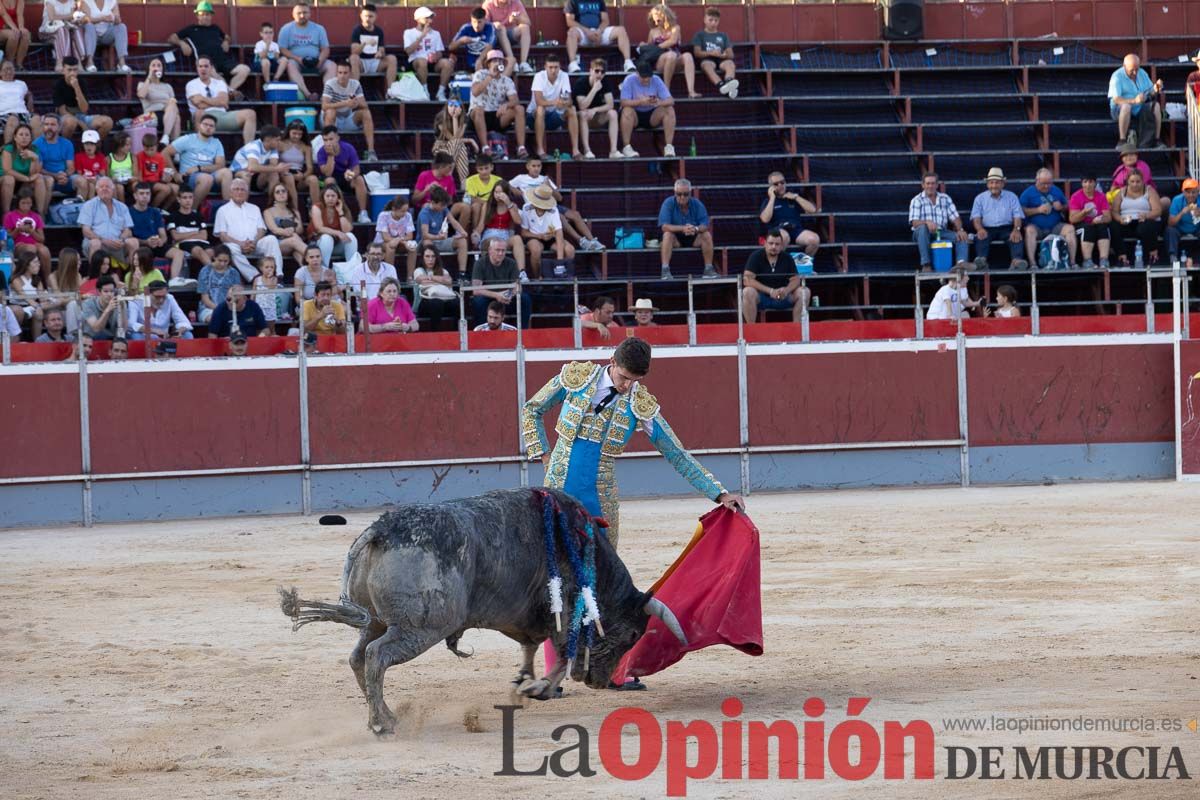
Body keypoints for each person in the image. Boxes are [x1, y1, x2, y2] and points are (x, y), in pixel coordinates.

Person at [522, 336, 743, 545]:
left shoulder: (640, 405)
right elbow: (532, 410)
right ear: (612, 362)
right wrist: (545, 456)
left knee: (604, 565)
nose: (627, 386)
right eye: (624, 377)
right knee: (551, 556)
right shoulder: (577, 378)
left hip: (600, 494)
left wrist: (720, 493)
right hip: (558, 482)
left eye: (635, 380)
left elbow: (676, 454)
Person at [508, 153, 604, 251]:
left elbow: (559, 198)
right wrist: (516, 191)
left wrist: (549, 186)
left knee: (575, 214)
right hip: (536, 207)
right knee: (561, 217)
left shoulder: (544, 178)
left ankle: (593, 241)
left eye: (539, 166)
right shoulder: (521, 178)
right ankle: (581, 241)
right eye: (533, 166)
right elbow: (505, 184)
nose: (536, 168)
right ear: (527, 166)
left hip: (551, 204)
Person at [168, 1, 250, 98]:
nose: (205, 17)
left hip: (223, 60)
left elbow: (227, 36)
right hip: (206, 61)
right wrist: (182, 43)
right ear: (197, 16)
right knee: (216, 76)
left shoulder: (215, 28)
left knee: (245, 69)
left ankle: (229, 91)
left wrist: (226, 41)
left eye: (208, 14)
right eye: (202, 14)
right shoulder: (191, 29)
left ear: (211, 16)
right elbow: (171, 38)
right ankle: (230, 93)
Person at [215, 178, 285, 281]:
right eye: (236, 189)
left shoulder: (254, 208)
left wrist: (254, 242)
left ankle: (277, 274)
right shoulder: (223, 210)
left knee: (271, 239)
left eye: (243, 190)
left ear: (247, 193)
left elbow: (261, 229)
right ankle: (255, 277)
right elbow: (223, 235)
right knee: (229, 248)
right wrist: (241, 244)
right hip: (236, 246)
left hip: (255, 244)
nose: (239, 192)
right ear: (230, 192)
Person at [741, 229, 809, 323]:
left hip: (783, 296)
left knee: (804, 292)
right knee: (747, 291)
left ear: (781, 245)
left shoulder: (787, 258)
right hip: (762, 297)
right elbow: (747, 279)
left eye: (777, 244)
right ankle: (751, 330)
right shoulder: (756, 256)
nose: (774, 246)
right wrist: (770, 291)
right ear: (765, 243)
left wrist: (786, 290)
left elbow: (796, 279)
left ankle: (797, 329)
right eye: (771, 243)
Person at [469, 49, 528, 159]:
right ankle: (485, 148)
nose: (498, 63)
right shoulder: (480, 74)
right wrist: (490, 76)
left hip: (496, 115)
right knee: (478, 109)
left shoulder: (507, 80)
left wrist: (507, 105)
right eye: (494, 60)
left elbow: (515, 100)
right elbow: (475, 91)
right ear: (488, 63)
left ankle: (521, 148)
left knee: (519, 109)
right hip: (478, 115)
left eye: (500, 61)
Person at [165, 113, 233, 206]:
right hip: (189, 178)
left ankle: (228, 209)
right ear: (199, 125)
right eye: (205, 124)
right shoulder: (188, 139)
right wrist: (175, 174)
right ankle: (191, 211)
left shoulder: (216, 143)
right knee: (206, 178)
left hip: (209, 176)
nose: (208, 127)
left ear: (214, 129)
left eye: (211, 126)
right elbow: (165, 153)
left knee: (226, 172)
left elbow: (220, 165)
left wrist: (199, 168)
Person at [184, 56, 255, 145]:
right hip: (204, 116)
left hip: (222, 116)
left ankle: (249, 150)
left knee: (250, 114)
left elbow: (224, 102)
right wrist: (218, 102)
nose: (203, 69)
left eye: (206, 66)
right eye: (200, 66)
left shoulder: (219, 83)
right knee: (199, 112)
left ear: (211, 68)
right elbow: (199, 105)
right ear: (197, 68)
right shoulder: (191, 84)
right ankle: (200, 147)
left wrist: (203, 98)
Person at [909, 172, 969, 270]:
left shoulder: (945, 198)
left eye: (933, 183)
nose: (930, 186)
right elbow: (914, 223)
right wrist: (927, 222)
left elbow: (955, 218)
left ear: (937, 185)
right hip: (921, 233)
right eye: (928, 183)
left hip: (940, 232)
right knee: (923, 228)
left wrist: (960, 229)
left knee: (962, 236)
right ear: (923, 185)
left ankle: (961, 264)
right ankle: (926, 265)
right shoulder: (917, 200)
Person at [969, 167, 1027, 270]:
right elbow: (976, 218)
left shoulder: (1012, 196)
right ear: (987, 184)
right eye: (991, 183)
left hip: (1007, 227)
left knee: (1016, 236)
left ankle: (1016, 261)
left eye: (997, 182)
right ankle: (982, 261)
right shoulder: (980, 198)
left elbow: (1017, 216)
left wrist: (1016, 229)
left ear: (1002, 184)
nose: (994, 185)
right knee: (980, 236)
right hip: (987, 228)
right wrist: (979, 229)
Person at [658, 178, 714, 280]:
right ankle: (665, 270)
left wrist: (696, 229)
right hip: (676, 239)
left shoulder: (697, 204)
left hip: (694, 237)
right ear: (675, 193)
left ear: (690, 193)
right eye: (679, 194)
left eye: (685, 194)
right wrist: (683, 228)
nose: (682, 197)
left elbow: (705, 224)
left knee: (706, 234)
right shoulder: (668, 203)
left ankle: (708, 270)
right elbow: (664, 226)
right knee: (667, 234)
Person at [278, 2, 337, 100]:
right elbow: (282, 49)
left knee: (332, 66)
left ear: (310, 14)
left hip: (316, 61)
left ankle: (326, 96)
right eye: (299, 13)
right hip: (297, 62)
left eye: (305, 12)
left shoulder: (319, 29)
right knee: (290, 64)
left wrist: (320, 60)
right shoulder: (286, 29)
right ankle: (308, 95)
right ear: (293, 14)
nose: (302, 15)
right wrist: (298, 59)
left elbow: (325, 49)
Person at [128, 183, 186, 280]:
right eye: (141, 194)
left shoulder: (155, 212)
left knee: (179, 253)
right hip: (140, 245)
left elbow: (163, 235)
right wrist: (146, 242)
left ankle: (174, 281)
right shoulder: (128, 212)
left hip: (156, 244)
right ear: (135, 196)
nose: (145, 196)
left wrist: (160, 241)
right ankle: (135, 279)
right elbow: (128, 236)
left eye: (147, 193)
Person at [618, 60, 676, 158]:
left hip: (652, 115)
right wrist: (640, 102)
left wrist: (659, 102)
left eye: (648, 76)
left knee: (669, 109)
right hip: (634, 115)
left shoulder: (656, 79)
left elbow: (671, 100)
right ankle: (627, 147)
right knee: (626, 110)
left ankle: (669, 146)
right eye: (643, 77)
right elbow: (623, 102)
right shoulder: (629, 79)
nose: (646, 79)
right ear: (637, 73)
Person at [1020, 169, 1076, 268]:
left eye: (1049, 183)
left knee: (1070, 229)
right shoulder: (1028, 193)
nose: (1046, 186)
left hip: (1055, 226)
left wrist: (1061, 207)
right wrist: (1038, 210)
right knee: (1029, 230)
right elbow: (1020, 211)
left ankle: (1072, 262)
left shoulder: (1055, 190)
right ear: (1037, 180)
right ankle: (1033, 263)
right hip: (1037, 227)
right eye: (1043, 183)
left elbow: (1068, 205)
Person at [528, 54, 580, 159]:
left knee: (572, 109)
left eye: (556, 67)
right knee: (540, 109)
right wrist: (555, 102)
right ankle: (540, 149)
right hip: (533, 117)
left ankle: (575, 150)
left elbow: (569, 100)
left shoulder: (564, 75)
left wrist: (564, 103)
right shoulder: (539, 76)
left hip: (553, 116)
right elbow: (539, 101)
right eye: (550, 67)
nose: (553, 70)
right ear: (545, 67)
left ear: (559, 67)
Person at [322, 62, 377, 163]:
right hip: (331, 120)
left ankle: (371, 151)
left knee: (366, 113)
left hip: (347, 118)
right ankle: (329, 149)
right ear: (336, 73)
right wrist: (345, 103)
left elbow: (364, 105)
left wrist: (355, 104)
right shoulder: (330, 84)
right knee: (330, 112)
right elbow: (324, 106)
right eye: (340, 72)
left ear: (350, 74)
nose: (342, 75)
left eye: (345, 73)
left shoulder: (355, 84)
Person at [315, 126, 371, 223]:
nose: (328, 142)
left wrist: (351, 175)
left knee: (359, 179)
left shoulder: (348, 148)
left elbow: (356, 168)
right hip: (332, 178)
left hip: (347, 178)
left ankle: (363, 213)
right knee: (329, 181)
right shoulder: (321, 152)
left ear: (337, 137)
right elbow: (327, 173)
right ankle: (335, 213)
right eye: (325, 140)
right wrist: (331, 156)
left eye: (331, 139)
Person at [564, 0, 634, 75]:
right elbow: (570, 21)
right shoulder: (572, 2)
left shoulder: (599, 1)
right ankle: (573, 64)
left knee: (621, 30)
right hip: (582, 33)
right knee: (571, 32)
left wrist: (599, 31)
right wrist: (587, 31)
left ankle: (628, 62)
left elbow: (605, 20)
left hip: (599, 32)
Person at [471, 236, 528, 328]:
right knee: (479, 302)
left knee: (524, 299)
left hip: (506, 297)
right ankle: (481, 333)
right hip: (489, 298)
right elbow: (476, 290)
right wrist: (497, 295)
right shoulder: (480, 264)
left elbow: (518, 287)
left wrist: (509, 295)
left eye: (503, 250)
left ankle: (523, 331)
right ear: (490, 250)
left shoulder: (512, 263)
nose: (501, 253)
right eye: (497, 250)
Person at [759, 171, 819, 255]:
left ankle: (803, 265)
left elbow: (812, 210)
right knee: (784, 236)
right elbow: (765, 219)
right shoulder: (768, 201)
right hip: (778, 230)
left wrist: (796, 197)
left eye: (782, 182)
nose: (780, 185)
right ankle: (778, 266)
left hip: (796, 230)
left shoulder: (792, 198)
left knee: (814, 239)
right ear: (771, 187)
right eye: (776, 184)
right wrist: (772, 197)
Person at [644, 4, 697, 99]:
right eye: (654, 20)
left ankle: (691, 91)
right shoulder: (653, 31)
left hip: (676, 58)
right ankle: (666, 91)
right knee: (671, 55)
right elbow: (649, 48)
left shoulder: (675, 28)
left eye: (658, 20)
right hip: (660, 61)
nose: (656, 23)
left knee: (688, 55)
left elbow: (673, 41)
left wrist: (657, 46)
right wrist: (644, 45)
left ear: (664, 16)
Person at [1108, 53, 1162, 148]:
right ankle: (1122, 140)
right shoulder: (1116, 77)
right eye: (1131, 70)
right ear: (1124, 66)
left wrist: (1156, 88)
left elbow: (1151, 91)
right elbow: (1116, 99)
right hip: (1119, 108)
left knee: (1156, 106)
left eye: (1137, 69)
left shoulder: (1142, 73)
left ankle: (1157, 140)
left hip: (1139, 107)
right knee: (1126, 106)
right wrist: (1134, 100)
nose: (1135, 73)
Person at [520, 183, 572, 279]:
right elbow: (524, 232)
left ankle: (563, 278)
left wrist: (559, 261)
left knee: (569, 250)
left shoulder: (554, 210)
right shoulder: (526, 208)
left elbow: (559, 233)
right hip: (534, 236)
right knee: (536, 250)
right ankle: (538, 278)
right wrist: (540, 236)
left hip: (551, 237)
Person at [1110, 170, 1163, 265]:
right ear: (1128, 182)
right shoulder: (1121, 192)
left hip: (1144, 220)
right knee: (1113, 226)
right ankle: (1122, 257)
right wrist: (1120, 219)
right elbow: (1114, 211)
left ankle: (1153, 255)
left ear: (1143, 181)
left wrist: (1147, 215)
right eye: (1132, 181)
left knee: (1147, 226)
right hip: (1127, 221)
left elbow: (1158, 210)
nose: (1135, 184)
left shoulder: (1149, 190)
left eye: (1138, 181)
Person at [475, 178, 526, 276]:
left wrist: (508, 204)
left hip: (505, 235)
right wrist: (476, 234)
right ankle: (491, 273)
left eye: (501, 192)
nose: (498, 195)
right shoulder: (487, 205)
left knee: (517, 239)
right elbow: (481, 225)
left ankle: (521, 272)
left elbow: (518, 221)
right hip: (489, 235)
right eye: (496, 192)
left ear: (506, 194)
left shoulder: (512, 205)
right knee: (494, 241)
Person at [78, 176, 137, 262]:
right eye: (101, 187)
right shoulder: (89, 205)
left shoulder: (122, 207)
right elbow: (86, 231)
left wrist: (120, 239)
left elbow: (127, 230)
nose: (104, 189)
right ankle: (95, 274)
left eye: (107, 187)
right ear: (97, 190)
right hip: (99, 242)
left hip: (117, 244)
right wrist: (104, 240)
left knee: (133, 242)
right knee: (95, 243)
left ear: (113, 190)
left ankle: (134, 274)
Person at [572, 58, 620, 159]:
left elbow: (610, 104)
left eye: (602, 72)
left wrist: (595, 109)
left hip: (597, 117)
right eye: (596, 71)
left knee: (613, 113)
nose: (599, 74)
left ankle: (613, 151)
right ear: (590, 71)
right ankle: (587, 150)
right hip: (581, 119)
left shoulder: (605, 82)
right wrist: (594, 89)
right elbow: (582, 106)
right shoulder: (581, 83)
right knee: (583, 113)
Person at [404, 7, 455, 103]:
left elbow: (440, 52)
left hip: (432, 63)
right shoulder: (409, 33)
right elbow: (408, 51)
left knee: (447, 63)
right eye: (426, 18)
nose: (430, 20)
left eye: (431, 17)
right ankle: (425, 91)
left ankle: (440, 92)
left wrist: (436, 56)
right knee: (422, 61)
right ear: (418, 19)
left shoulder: (436, 34)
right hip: (416, 62)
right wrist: (422, 35)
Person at [417, 185, 469, 275]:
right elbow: (425, 235)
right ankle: (430, 272)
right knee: (427, 242)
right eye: (441, 205)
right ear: (433, 202)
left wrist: (463, 232)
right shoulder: (424, 213)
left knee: (462, 241)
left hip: (440, 240)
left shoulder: (443, 209)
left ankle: (462, 273)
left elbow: (453, 221)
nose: (443, 207)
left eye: (444, 205)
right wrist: (438, 237)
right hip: (426, 241)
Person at [164, 187, 210, 283]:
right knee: (199, 251)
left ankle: (205, 280)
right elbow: (176, 237)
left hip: (202, 243)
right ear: (178, 199)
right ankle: (216, 274)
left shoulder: (198, 216)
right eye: (185, 198)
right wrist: (195, 232)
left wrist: (184, 234)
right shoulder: (173, 216)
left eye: (190, 197)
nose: (188, 200)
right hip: (185, 244)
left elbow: (204, 236)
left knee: (214, 252)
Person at [691, 7, 738, 98]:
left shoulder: (723, 35)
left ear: (719, 21)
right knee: (707, 65)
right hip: (707, 59)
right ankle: (721, 85)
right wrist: (711, 53)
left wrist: (724, 55)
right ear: (705, 20)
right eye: (710, 20)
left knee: (730, 64)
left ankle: (729, 82)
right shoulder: (699, 35)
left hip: (721, 59)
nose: (713, 23)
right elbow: (697, 53)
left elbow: (731, 54)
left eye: (716, 20)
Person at [1068, 174, 1112, 269]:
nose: (1088, 184)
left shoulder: (1101, 196)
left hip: (1097, 223)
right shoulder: (1076, 196)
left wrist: (1101, 219)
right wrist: (1084, 212)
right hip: (1081, 225)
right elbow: (1072, 219)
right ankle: (1087, 261)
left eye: (1091, 182)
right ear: (1082, 183)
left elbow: (1108, 217)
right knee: (1087, 228)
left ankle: (1104, 260)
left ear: (1095, 183)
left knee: (1103, 227)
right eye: (1085, 182)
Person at [308, 183, 358, 268]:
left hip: (336, 244)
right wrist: (338, 232)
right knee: (327, 238)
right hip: (319, 244)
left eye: (333, 196)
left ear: (338, 197)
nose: (330, 198)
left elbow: (347, 230)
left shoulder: (343, 208)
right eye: (327, 196)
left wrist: (340, 212)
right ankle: (323, 269)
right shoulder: (317, 207)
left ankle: (352, 270)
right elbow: (319, 228)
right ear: (323, 197)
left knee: (351, 237)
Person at [450, 7, 511, 76]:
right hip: (467, 62)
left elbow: (489, 46)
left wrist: (479, 60)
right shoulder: (466, 28)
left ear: (485, 20)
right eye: (474, 22)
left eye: (479, 22)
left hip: (485, 64)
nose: (476, 25)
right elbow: (451, 47)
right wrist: (461, 41)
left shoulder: (490, 27)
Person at [349, 4, 399, 88]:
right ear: (361, 16)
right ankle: (354, 91)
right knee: (353, 58)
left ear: (375, 17)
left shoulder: (379, 31)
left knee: (392, 58)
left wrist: (380, 53)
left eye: (370, 16)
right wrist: (365, 43)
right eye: (365, 16)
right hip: (362, 62)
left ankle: (391, 91)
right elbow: (354, 51)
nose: (367, 19)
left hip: (375, 62)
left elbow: (382, 50)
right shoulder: (357, 30)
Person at [126, 279, 194, 339]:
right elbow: (131, 324)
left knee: (187, 335)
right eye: (157, 297)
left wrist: (179, 331)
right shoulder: (136, 301)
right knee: (136, 336)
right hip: (145, 337)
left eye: (163, 297)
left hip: (165, 338)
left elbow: (183, 321)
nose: (161, 300)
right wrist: (153, 331)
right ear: (148, 294)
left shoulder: (169, 298)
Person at [230, 125, 288, 195]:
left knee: (274, 174)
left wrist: (278, 168)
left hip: (256, 175)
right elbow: (252, 167)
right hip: (237, 173)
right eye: (277, 140)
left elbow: (273, 165)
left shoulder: (273, 148)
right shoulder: (254, 146)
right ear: (268, 139)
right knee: (246, 175)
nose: (279, 142)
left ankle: (272, 203)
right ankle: (243, 204)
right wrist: (277, 168)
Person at [278, 118, 322, 210]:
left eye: (300, 134)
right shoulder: (280, 144)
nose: (297, 136)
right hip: (284, 174)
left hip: (299, 174)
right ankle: (295, 210)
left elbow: (310, 168)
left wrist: (303, 175)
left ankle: (316, 210)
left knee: (313, 179)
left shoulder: (306, 147)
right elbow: (276, 162)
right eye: (294, 133)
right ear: (289, 131)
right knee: (289, 177)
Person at [412, 242, 458, 330]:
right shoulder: (419, 270)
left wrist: (430, 277)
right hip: (424, 302)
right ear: (422, 258)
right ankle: (435, 332)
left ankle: (457, 332)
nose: (430, 259)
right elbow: (422, 281)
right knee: (436, 303)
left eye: (433, 256)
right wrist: (441, 281)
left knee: (456, 303)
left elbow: (449, 281)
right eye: (427, 256)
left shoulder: (443, 271)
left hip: (444, 301)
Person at [431, 98, 476, 186]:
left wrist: (455, 118)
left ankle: (452, 175)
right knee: (460, 146)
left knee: (460, 147)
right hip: (441, 147)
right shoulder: (440, 117)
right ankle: (462, 182)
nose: (453, 108)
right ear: (446, 106)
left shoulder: (464, 118)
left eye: (456, 106)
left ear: (460, 108)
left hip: (456, 147)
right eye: (451, 105)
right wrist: (469, 140)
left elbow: (457, 140)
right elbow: (453, 139)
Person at [135, 58, 180, 144]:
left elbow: (174, 106)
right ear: (148, 68)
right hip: (152, 114)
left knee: (175, 114)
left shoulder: (168, 86)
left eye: (159, 65)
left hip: (167, 114)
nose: (156, 68)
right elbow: (141, 95)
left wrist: (169, 106)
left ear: (162, 69)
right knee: (176, 117)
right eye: (153, 65)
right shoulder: (142, 84)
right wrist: (149, 77)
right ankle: (172, 147)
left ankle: (167, 139)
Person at [4, 187, 49, 272]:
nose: (26, 206)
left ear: (32, 203)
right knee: (30, 249)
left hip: (35, 243)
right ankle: (27, 277)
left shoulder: (36, 216)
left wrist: (32, 231)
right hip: (18, 245)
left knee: (44, 251)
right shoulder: (10, 216)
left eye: (28, 203)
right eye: (23, 203)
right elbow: (7, 238)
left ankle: (46, 280)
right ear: (18, 203)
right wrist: (18, 230)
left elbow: (42, 239)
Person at [263, 182, 308, 268]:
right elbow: (274, 229)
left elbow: (300, 229)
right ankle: (315, 255)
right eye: (277, 192)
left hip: (292, 243)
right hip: (276, 244)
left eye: (283, 191)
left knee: (297, 253)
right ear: (274, 196)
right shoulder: (268, 211)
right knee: (294, 239)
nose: (281, 193)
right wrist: (287, 232)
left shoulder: (294, 211)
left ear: (287, 194)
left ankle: (305, 272)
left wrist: (293, 230)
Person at [483, 0, 533, 74]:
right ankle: (512, 61)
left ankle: (523, 63)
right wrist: (494, 24)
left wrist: (518, 19)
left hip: (511, 32)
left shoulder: (516, 2)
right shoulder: (488, 4)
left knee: (525, 27)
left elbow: (528, 22)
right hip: (496, 35)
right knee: (500, 27)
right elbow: (484, 24)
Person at [195, 244, 241, 324]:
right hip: (208, 308)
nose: (222, 264)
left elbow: (236, 295)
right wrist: (219, 309)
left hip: (229, 307)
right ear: (214, 257)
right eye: (220, 260)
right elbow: (205, 298)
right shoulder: (205, 271)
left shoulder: (234, 273)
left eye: (225, 261)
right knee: (216, 318)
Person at [79, 0, 130, 73]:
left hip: (106, 34)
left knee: (121, 27)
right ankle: (89, 62)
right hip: (91, 35)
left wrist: (117, 20)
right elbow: (86, 20)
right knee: (89, 26)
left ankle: (121, 63)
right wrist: (102, 19)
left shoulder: (112, 1)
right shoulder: (86, 1)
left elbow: (117, 17)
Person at [40, 0, 85, 73]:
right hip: (48, 31)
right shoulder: (50, 1)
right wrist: (70, 16)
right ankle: (60, 61)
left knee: (75, 30)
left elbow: (71, 19)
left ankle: (78, 63)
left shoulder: (71, 2)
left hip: (65, 30)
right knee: (61, 31)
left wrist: (76, 19)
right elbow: (52, 18)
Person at [136, 134, 179, 209]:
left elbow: (161, 174)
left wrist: (167, 178)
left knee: (176, 188)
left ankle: (164, 209)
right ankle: (152, 208)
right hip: (146, 181)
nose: (149, 152)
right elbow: (139, 173)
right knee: (166, 189)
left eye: (152, 149)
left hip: (157, 181)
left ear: (156, 147)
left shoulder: (160, 157)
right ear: (143, 147)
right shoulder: (139, 156)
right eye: (147, 149)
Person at [0, 60, 38, 144]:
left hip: (23, 113)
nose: (9, 72)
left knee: (36, 119)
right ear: (0, 72)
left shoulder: (21, 84)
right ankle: (8, 152)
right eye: (6, 69)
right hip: (4, 115)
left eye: (11, 69)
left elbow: (28, 94)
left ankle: (37, 152)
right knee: (13, 119)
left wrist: (30, 99)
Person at [375, 195, 416, 271]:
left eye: (406, 210)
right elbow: (386, 237)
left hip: (400, 242)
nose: (405, 213)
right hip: (382, 243)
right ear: (394, 209)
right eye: (402, 211)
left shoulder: (408, 216)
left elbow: (410, 236)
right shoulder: (383, 215)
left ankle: (410, 277)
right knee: (390, 247)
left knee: (412, 248)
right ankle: (390, 276)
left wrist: (400, 241)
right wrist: (401, 241)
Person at [1167, 177, 1200, 265]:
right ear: (1183, 192)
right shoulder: (1177, 200)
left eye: (1194, 192)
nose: (1191, 195)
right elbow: (1170, 222)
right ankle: (1173, 257)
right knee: (1170, 230)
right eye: (1188, 192)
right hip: (1180, 228)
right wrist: (1181, 213)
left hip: (1197, 228)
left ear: (1198, 192)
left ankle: (1196, 259)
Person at [81, 272, 120, 339]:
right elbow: (96, 328)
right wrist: (108, 310)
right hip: (92, 338)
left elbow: (124, 328)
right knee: (101, 335)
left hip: (112, 338)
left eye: (112, 291)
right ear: (98, 292)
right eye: (106, 291)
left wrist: (123, 308)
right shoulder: (88, 304)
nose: (109, 294)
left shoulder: (118, 303)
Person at [253, 256, 285, 328]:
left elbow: (270, 287)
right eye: (267, 267)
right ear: (261, 268)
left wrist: (269, 277)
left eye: (272, 267)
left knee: (271, 327)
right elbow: (253, 293)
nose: (269, 269)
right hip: (259, 307)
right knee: (260, 327)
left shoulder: (274, 279)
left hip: (270, 307)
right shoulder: (257, 280)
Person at [253, 21, 284, 86]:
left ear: (273, 34)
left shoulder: (275, 45)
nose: (268, 35)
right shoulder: (259, 44)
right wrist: (267, 45)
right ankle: (268, 82)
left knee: (285, 60)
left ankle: (276, 78)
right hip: (260, 64)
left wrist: (274, 53)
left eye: (271, 32)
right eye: (266, 33)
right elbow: (262, 56)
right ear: (261, 34)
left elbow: (277, 57)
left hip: (272, 64)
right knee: (265, 61)